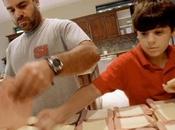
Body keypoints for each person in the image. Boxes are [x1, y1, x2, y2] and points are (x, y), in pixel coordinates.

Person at [33, 0, 175, 129]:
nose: (151, 40)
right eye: (144, 34)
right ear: (137, 34)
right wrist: (59, 113)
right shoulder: (126, 63)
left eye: (158, 32)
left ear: (172, 31)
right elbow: (91, 90)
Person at [3, 0, 100, 115]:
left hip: (70, 118)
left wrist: (51, 66)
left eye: (22, 5)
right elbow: (8, 87)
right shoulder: (12, 47)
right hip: (34, 124)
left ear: (36, 2)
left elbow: (92, 53)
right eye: (11, 10)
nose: (18, 14)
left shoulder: (61, 27)